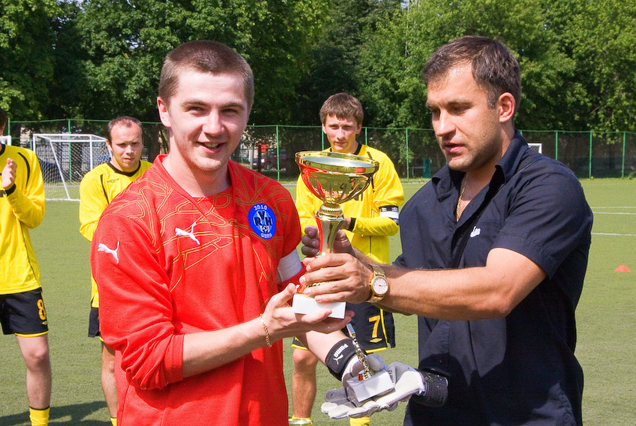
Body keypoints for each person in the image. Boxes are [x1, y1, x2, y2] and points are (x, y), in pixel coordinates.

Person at [90, 40, 422, 425]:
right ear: (164, 110)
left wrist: (349, 363)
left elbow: (298, 303)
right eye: (196, 108)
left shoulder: (270, 199)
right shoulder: (128, 219)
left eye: (230, 110)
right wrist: (264, 329)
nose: (213, 127)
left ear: (248, 112)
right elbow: (149, 360)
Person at [299, 36, 593, 424]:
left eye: (458, 109)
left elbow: (498, 290)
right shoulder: (426, 203)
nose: (443, 127)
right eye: (435, 112)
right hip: (433, 410)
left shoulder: (548, 186)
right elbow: (412, 283)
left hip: (525, 415)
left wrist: (372, 281)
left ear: (504, 107)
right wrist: (349, 261)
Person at [290, 93, 404, 426]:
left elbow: (391, 222)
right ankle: (301, 421)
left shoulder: (377, 163)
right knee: (301, 358)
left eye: (347, 127)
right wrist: (317, 233)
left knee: (360, 364)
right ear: (324, 127)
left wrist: (348, 223)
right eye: (334, 126)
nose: (340, 134)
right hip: (321, 274)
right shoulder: (313, 164)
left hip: (363, 276)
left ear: (358, 127)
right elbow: (302, 215)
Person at [79, 116, 152, 426]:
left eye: (135, 143)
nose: (129, 151)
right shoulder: (94, 180)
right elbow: (91, 228)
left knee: (154, 356)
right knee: (112, 362)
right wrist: (138, 235)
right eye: (121, 145)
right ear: (108, 145)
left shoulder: (155, 174)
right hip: (110, 287)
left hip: (154, 286)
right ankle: (117, 422)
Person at [0, 106, 52, 426]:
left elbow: (34, 217)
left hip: (19, 276)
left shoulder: (25, 160)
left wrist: (11, 189)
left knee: (38, 355)